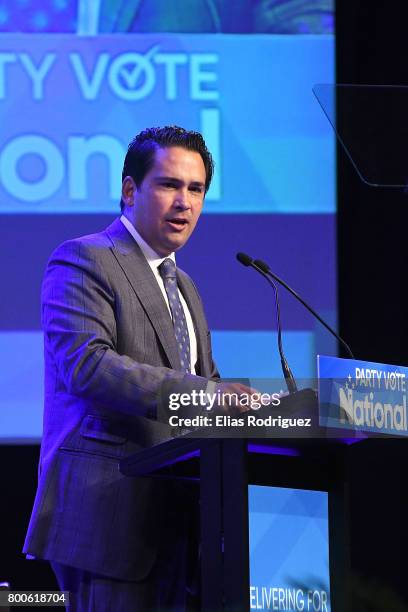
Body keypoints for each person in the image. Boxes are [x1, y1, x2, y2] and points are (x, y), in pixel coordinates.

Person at [23, 125, 251, 611]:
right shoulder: (85, 259)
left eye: (196, 189)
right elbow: (87, 366)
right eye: (169, 185)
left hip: (179, 520)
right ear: (130, 191)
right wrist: (207, 395)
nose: (185, 202)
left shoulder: (184, 285)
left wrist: (256, 410)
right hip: (109, 515)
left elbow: (202, 384)